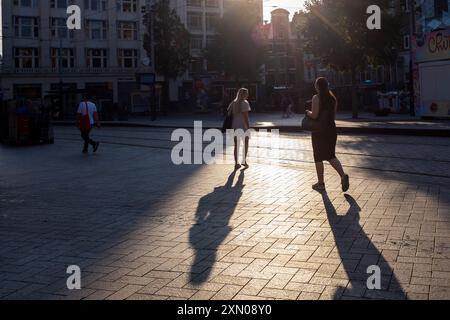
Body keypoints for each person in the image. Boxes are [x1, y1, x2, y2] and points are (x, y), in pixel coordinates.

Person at [306, 77, 349, 192]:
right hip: (331, 130)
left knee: (318, 157)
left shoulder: (316, 97)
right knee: (330, 155)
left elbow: (314, 115)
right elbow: (333, 117)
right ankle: (343, 175)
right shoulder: (333, 99)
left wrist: (307, 113)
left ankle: (321, 184)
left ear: (317, 86)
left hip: (319, 131)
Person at [227, 88, 251, 170]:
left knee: (236, 145)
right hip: (243, 126)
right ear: (244, 94)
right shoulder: (244, 103)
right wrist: (248, 128)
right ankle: (244, 161)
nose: (248, 95)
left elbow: (229, 113)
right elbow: (245, 117)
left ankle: (236, 163)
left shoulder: (233, 103)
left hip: (234, 125)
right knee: (246, 143)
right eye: (247, 93)